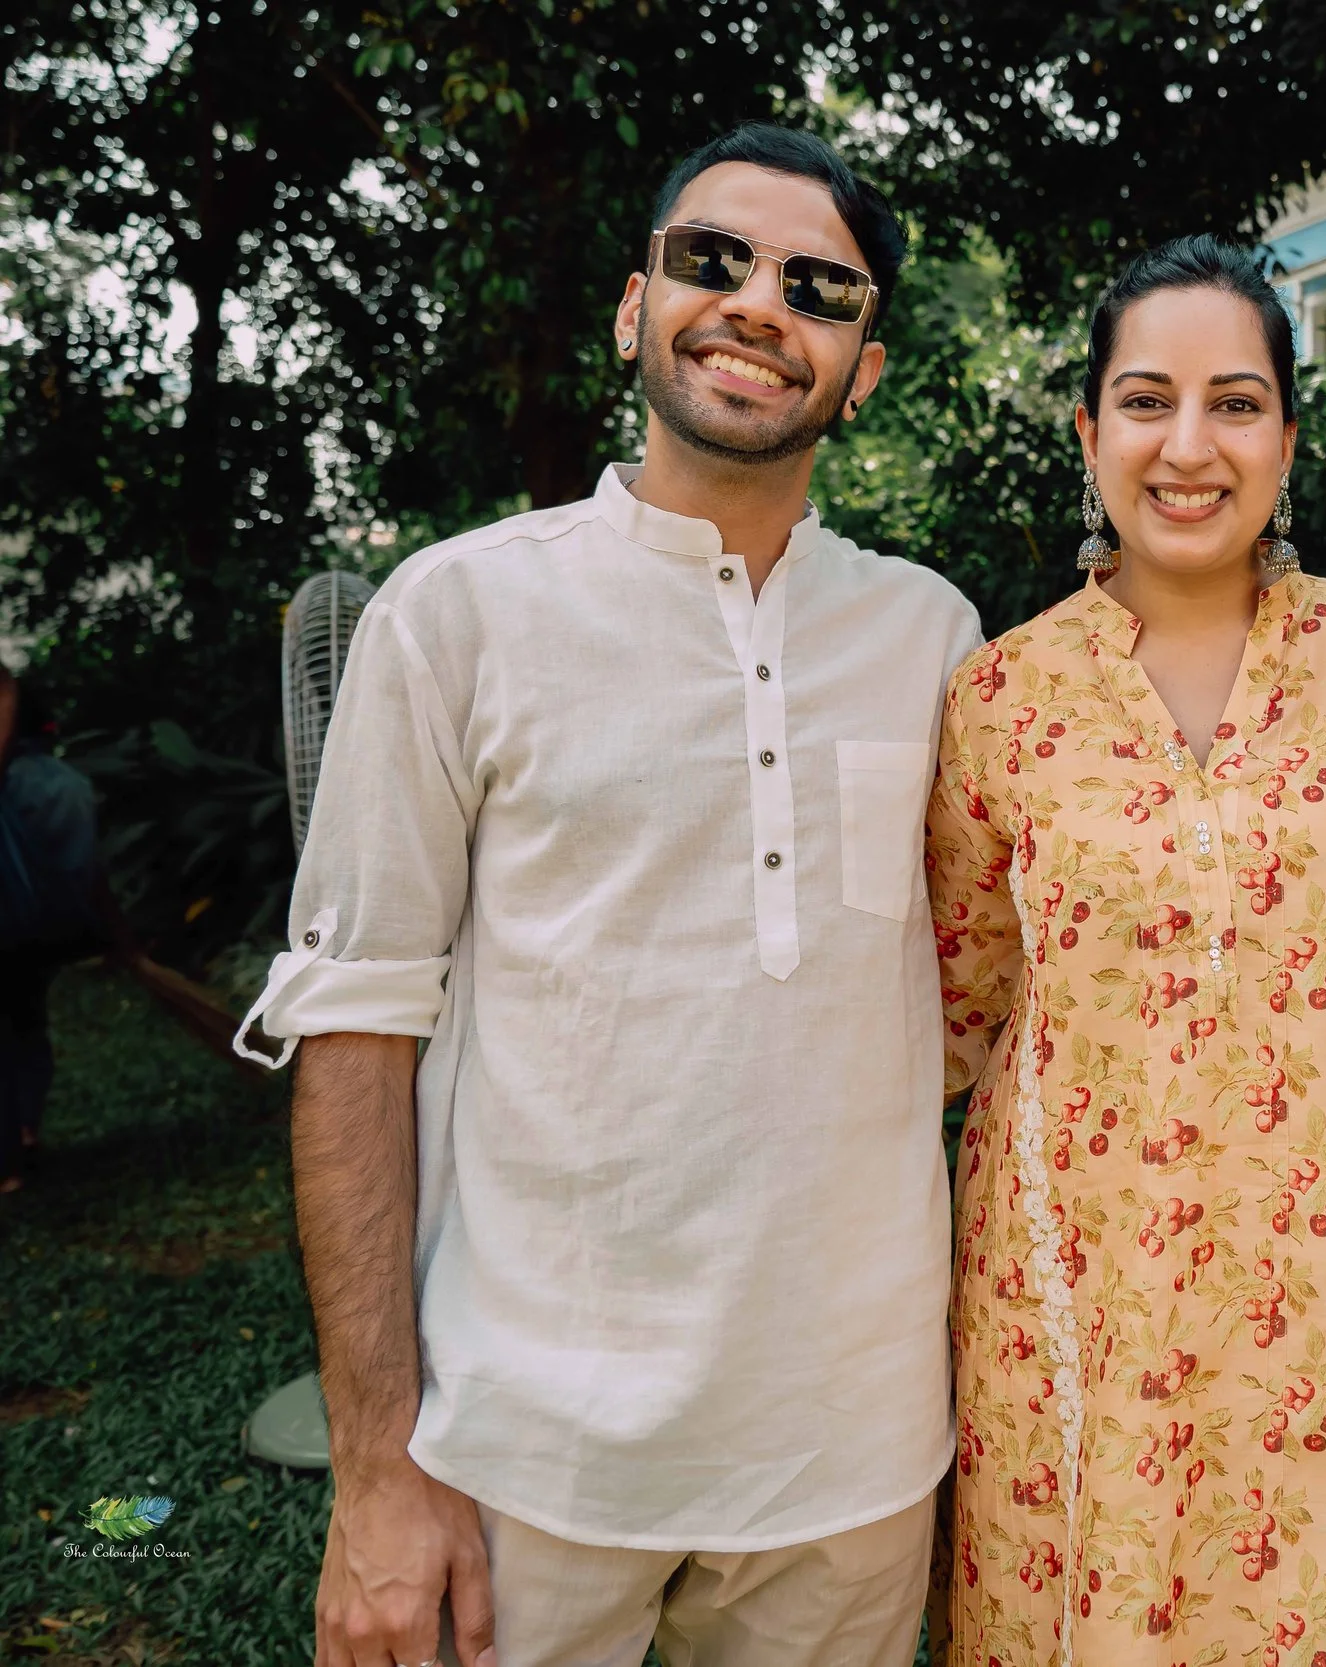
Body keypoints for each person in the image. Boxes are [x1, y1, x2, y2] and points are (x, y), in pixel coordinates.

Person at [236, 123, 981, 1667]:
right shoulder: (457, 612)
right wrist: (375, 1467)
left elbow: (981, 986)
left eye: (819, 287)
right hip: (524, 1454)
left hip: (851, 1459)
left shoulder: (935, 638)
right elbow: (355, 1034)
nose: (759, 304)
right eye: (714, 260)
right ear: (638, 306)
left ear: (864, 370)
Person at [927, 236, 1326, 1667]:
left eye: (1236, 402)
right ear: (1088, 430)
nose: (1189, 445)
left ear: (1289, 435)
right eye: (1147, 400)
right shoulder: (999, 697)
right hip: (1079, 1315)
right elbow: (960, 1007)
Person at [0, 668, 105, 1194]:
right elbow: (88, 868)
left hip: (10, 923)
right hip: (50, 930)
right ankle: (26, 1130)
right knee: (28, 1023)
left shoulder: (13, 784)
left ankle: (9, 1161)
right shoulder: (70, 785)